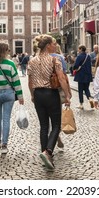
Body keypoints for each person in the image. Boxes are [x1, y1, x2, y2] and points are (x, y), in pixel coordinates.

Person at [27, 34, 71, 170]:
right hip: (51, 94)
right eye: (53, 44)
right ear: (47, 46)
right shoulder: (54, 61)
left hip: (38, 94)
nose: (55, 46)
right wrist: (67, 95)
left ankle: (45, 154)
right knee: (56, 125)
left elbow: (30, 82)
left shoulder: (32, 61)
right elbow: (61, 79)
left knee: (44, 126)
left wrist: (33, 95)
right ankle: (48, 151)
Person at [73, 45, 94, 109]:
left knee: (80, 90)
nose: (78, 50)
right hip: (88, 75)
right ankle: (90, 98)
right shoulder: (88, 56)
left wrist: (75, 68)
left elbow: (76, 65)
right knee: (86, 88)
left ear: (81, 49)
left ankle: (81, 104)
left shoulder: (79, 56)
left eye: (79, 49)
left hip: (81, 75)